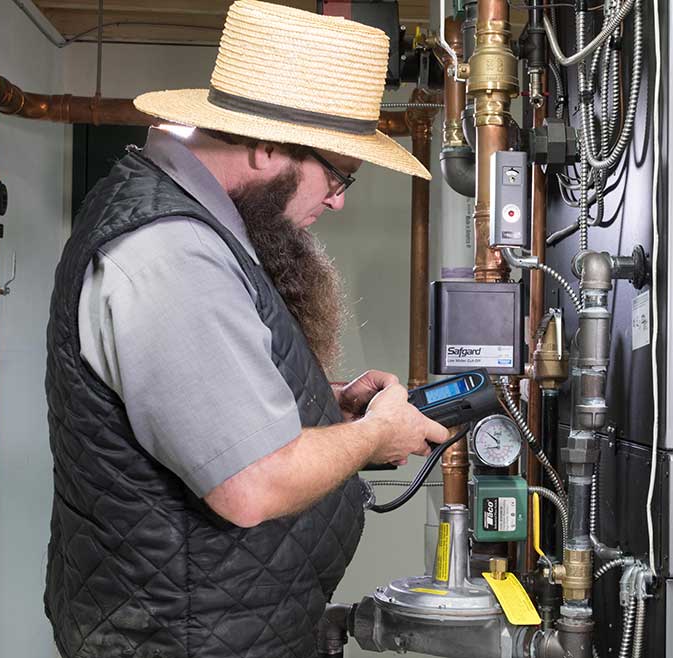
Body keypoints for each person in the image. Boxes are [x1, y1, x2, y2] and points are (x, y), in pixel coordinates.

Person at [42, 3, 447, 656]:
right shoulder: (172, 252)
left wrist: (324, 405)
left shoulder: (193, 223)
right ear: (265, 144)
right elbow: (251, 483)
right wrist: (375, 432)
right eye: (340, 174)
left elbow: (201, 405)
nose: (339, 199)